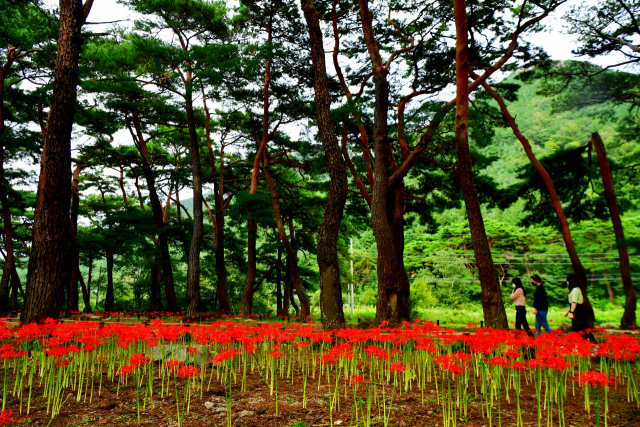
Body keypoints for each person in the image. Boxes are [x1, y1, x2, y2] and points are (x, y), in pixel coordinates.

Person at [564, 273, 596, 342]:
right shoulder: (575, 289)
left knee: (580, 328)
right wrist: (567, 312)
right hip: (577, 309)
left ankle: (586, 343)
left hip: (578, 311)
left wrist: (572, 313)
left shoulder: (575, 290)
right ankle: (584, 343)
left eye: (568, 281)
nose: (567, 283)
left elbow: (574, 302)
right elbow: (572, 303)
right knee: (581, 328)